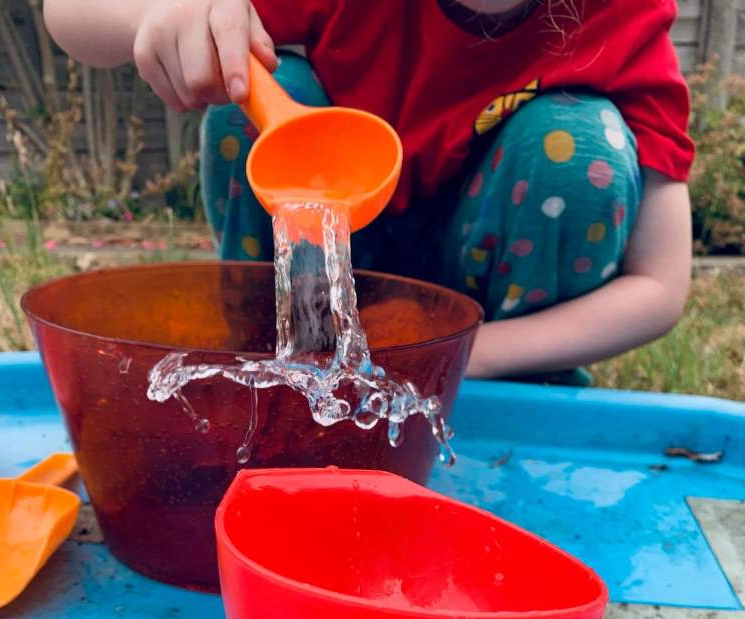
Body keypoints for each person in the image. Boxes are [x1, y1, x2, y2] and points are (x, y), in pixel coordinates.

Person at [43, 0, 694, 380]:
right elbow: (66, 12)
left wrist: (468, 354)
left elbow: (660, 286)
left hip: (497, 331)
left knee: (576, 147)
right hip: (334, 259)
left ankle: (527, 396)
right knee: (263, 99)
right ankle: (291, 357)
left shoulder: (621, 17)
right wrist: (166, 11)